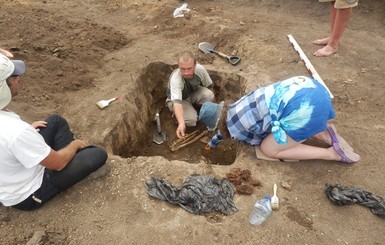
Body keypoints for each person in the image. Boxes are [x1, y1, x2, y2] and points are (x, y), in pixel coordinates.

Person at [0, 52, 109, 211]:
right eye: (13, 77)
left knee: (55, 121)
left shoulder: (12, 128)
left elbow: (8, 141)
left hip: (12, 172)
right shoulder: (16, 132)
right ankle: (70, 170)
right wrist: (75, 145)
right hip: (29, 193)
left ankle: (67, 163)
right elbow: (57, 163)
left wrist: (29, 132)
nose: (18, 78)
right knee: (97, 154)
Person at [198, 76, 360, 163]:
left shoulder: (237, 129)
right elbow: (222, 132)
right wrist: (211, 144)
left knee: (268, 148)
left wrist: (212, 144)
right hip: (309, 88)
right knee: (284, 114)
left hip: (307, 111)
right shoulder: (236, 106)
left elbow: (256, 138)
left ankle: (330, 154)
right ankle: (323, 132)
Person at [166, 51, 215, 139]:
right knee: (192, 121)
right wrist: (181, 123)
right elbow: (177, 104)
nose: (186, 73)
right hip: (179, 101)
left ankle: (193, 109)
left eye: (189, 68)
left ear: (195, 65)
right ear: (178, 66)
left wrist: (213, 108)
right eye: (183, 69)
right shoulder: (176, 79)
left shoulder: (200, 70)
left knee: (210, 95)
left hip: (192, 94)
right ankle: (177, 116)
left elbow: (210, 87)